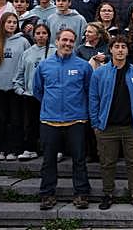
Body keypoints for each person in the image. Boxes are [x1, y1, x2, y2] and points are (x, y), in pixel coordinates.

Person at [33, 28, 92, 210]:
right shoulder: (44, 65)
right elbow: (38, 90)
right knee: (48, 160)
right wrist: (52, 105)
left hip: (77, 120)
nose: (67, 44)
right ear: (57, 41)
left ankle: (81, 193)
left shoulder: (83, 66)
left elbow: (89, 91)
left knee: (79, 159)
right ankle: (47, 194)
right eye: (64, 40)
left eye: (71, 41)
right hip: (50, 120)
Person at [89, 35, 133, 210]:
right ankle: (108, 193)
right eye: (117, 46)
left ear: (128, 50)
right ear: (111, 50)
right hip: (107, 127)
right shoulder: (100, 73)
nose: (120, 50)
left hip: (132, 126)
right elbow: (93, 98)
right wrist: (95, 123)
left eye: (123, 46)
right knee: (107, 163)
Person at [0, 12, 30, 161]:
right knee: (0, 119)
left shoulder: (23, 42)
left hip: (15, 87)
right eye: (8, 22)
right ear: (2, 23)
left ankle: (14, 150)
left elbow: (27, 65)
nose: (11, 25)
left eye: (14, 22)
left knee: (16, 120)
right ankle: (0, 150)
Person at [12, 22, 52, 160]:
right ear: (34, 35)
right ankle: (30, 149)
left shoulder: (54, 51)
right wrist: (20, 90)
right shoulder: (27, 53)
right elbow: (19, 75)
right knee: (30, 123)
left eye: (44, 33)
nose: (41, 36)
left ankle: (53, 150)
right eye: (38, 33)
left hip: (49, 95)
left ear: (48, 35)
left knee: (50, 124)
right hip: (30, 95)